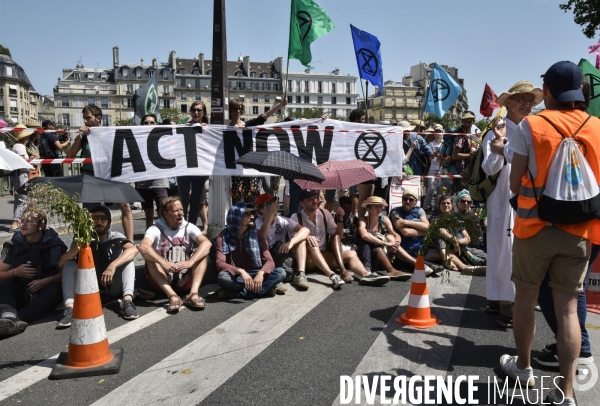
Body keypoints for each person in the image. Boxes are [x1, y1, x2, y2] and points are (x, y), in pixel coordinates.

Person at [495, 61, 600, 405]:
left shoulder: (532, 125)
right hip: (580, 232)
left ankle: (524, 368)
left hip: (534, 227)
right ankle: (567, 393)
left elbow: (514, 180)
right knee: (568, 309)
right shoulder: (597, 127)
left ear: (550, 92)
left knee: (525, 299)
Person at [481, 80, 542, 326]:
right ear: (509, 103)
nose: (526, 104)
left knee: (521, 248)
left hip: (526, 196)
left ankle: (505, 296)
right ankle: (505, 301)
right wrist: (499, 146)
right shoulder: (498, 128)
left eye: (530, 100)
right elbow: (489, 167)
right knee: (503, 248)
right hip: (502, 197)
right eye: (521, 100)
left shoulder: (531, 128)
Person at [57, 206, 139, 327]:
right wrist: (81, 244)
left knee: (128, 261)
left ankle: (127, 301)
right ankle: (70, 309)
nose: (99, 222)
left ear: (109, 222)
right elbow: (62, 263)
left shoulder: (115, 236)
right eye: (94, 219)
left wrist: (113, 265)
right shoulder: (80, 239)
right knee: (69, 265)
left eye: (103, 218)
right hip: (88, 288)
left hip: (112, 285)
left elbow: (133, 250)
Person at [291, 189, 388, 287]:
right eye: (310, 199)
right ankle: (312, 274)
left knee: (351, 253)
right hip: (307, 260)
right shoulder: (295, 217)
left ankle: (366, 275)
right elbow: (294, 241)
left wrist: (340, 219)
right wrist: (307, 236)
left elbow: (338, 235)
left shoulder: (324, 213)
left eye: (315, 198)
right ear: (302, 203)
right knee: (309, 242)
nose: (315, 201)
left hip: (324, 256)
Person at [66, 105, 134, 241]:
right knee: (88, 213)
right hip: (90, 177)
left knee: (125, 206)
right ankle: (88, 245)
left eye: (88, 118)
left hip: (109, 175)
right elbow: (69, 156)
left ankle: (130, 243)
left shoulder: (111, 133)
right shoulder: (85, 136)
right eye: (84, 118)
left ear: (98, 118)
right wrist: (80, 136)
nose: (85, 121)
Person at [138, 196, 212, 313]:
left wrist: (190, 262)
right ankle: (172, 296)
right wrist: (163, 262)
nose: (180, 214)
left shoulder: (189, 227)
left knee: (202, 253)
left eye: (182, 210)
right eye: (176, 211)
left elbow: (207, 243)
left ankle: (193, 294)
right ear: (166, 215)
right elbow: (143, 247)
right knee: (149, 258)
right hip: (163, 278)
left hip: (184, 278)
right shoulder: (155, 228)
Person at [0, 209, 67, 336]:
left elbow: (65, 275)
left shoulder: (54, 245)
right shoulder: (14, 244)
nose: (23, 224)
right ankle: (8, 316)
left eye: (30, 221)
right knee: (3, 286)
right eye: (22, 220)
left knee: (55, 290)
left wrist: (45, 281)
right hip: (21, 289)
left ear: (41, 225)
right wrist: (15, 272)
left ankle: (15, 320)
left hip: (43, 291)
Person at [215, 202, 286, 300]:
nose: (252, 216)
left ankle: (237, 293)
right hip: (237, 276)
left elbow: (269, 261)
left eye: (252, 213)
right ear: (237, 217)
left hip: (256, 273)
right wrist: (240, 271)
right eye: (247, 214)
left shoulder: (257, 234)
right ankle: (263, 290)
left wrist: (261, 273)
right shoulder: (223, 237)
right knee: (222, 277)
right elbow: (220, 264)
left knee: (281, 273)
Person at [229, 98, 288, 206]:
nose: (237, 111)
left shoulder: (248, 126)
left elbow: (264, 116)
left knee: (252, 200)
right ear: (229, 110)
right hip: (235, 171)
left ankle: (252, 221)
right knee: (237, 201)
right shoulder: (225, 128)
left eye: (240, 108)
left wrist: (280, 105)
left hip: (250, 170)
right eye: (234, 108)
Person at [255, 193, 309, 290]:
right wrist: (270, 214)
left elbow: (305, 230)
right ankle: (272, 278)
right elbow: (261, 236)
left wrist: (290, 242)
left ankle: (300, 274)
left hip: (280, 256)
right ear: (260, 209)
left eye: (273, 203)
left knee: (300, 240)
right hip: (265, 259)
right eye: (268, 205)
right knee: (264, 243)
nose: (272, 207)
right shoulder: (257, 223)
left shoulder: (281, 220)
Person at [424, 195, 486, 275]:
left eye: (448, 203)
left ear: (452, 205)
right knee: (438, 234)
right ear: (439, 206)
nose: (446, 205)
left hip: (461, 247)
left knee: (488, 258)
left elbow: (467, 238)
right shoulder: (435, 218)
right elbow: (440, 230)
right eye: (443, 203)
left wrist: (458, 241)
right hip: (444, 247)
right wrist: (453, 239)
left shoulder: (457, 219)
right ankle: (461, 265)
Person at [357, 196, 411, 281]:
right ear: (369, 209)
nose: (379, 209)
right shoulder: (363, 220)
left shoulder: (384, 219)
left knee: (388, 238)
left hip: (382, 254)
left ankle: (392, 269)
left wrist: (396, 244)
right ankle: (389, 270)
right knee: (369, 233)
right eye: (376, 207)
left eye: (380, 207)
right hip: (365, 253)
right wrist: (385, 243)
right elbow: (364, 235)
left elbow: (396, 235)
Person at [176, 101, 209, 233]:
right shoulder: (183, 127)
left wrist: (207, 129)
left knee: (196, 202)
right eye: (194, 110)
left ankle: (191, 230)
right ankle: (181, 228)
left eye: (199, 110)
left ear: (204, 113)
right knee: (183, 200)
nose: (196, 113)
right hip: (184, 168)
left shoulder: (208, 128)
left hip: (199, 169)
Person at [388, 188, 438, 275]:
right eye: (405, 199)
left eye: (411, 199)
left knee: (446, 254)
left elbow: (428, 227)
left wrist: (405, 222)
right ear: (402, 200)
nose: (407, 201)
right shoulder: (395, 212)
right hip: (405, 250)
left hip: (422, 250)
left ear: (415, 201)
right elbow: (406, 232)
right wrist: (423, 229)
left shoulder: (419, 210)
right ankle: (424, 265)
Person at [136, 114, 170, 229]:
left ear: (157, 124)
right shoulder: (137, 139)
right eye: (146, 122)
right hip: (143, 182)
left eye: (152, 122)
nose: (149, 125)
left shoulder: (163, 138)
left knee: (164, 213)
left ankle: (164, 237)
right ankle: (149, 240)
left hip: (160, 181)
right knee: (149, 216)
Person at [10, 125, 38, 232]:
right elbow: (21, 163)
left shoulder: (17, 146)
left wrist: (30, 159)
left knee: (20, 199)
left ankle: (17, 222)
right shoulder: (20, 147)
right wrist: (32, 160)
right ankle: (15, 223)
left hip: (19, 174)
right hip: (22, 174)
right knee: (22, 199)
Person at [423, 125, 444, 212]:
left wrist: (442, 157)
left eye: (440, 132)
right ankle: (426, 206)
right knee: (430, 188)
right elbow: (429, 158)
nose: (438, 134)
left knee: (440, 188)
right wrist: (434, 154)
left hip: (442, 168)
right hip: (432, 168)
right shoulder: (431, 144)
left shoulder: (444, 144)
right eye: (436, 132)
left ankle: (437, 206)